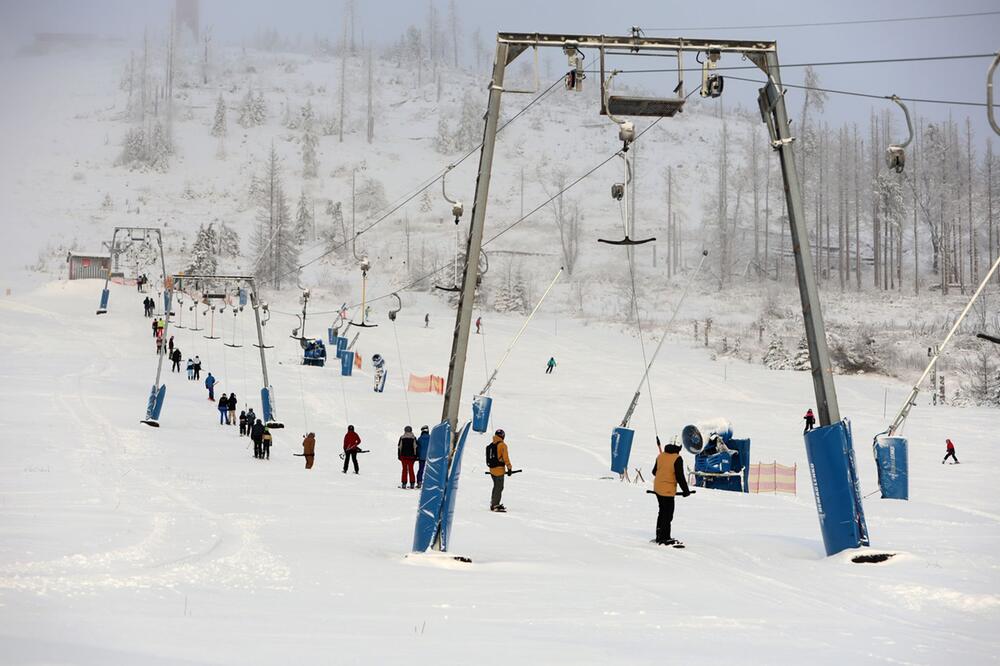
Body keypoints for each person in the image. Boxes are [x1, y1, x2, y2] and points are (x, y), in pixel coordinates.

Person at [651, 439, 691, 546]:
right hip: (667, 490)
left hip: (657, 488)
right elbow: (680, 477)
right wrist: (686, 491)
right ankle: (665, 538)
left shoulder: (661, 456)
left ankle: (659, 535)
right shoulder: (677, 458)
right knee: (668, 514)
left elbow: (654, 472)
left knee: (662, 511)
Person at [487, 429, 513, 511]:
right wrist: (509, 468)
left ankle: (493, 503)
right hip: (499, 470)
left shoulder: (491, 445)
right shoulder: (502, 445)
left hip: (491, 470)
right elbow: (506, 458)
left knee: (496, 486)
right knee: (499, 487)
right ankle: (495, 505)